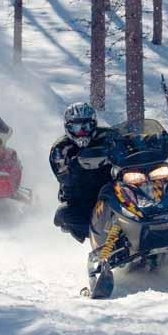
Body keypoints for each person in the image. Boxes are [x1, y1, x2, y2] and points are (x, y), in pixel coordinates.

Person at [49, 102, 114, 243]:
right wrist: (78, 164)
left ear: (94, 124)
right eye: (76, 128)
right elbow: (64, 177)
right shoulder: (61, 149)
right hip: (81, 198)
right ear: (68, 127)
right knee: (65, 214)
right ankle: (102, 245)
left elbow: (128, 142)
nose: (82, 132)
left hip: (114, 188)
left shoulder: (108, 136)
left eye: (86, 127)